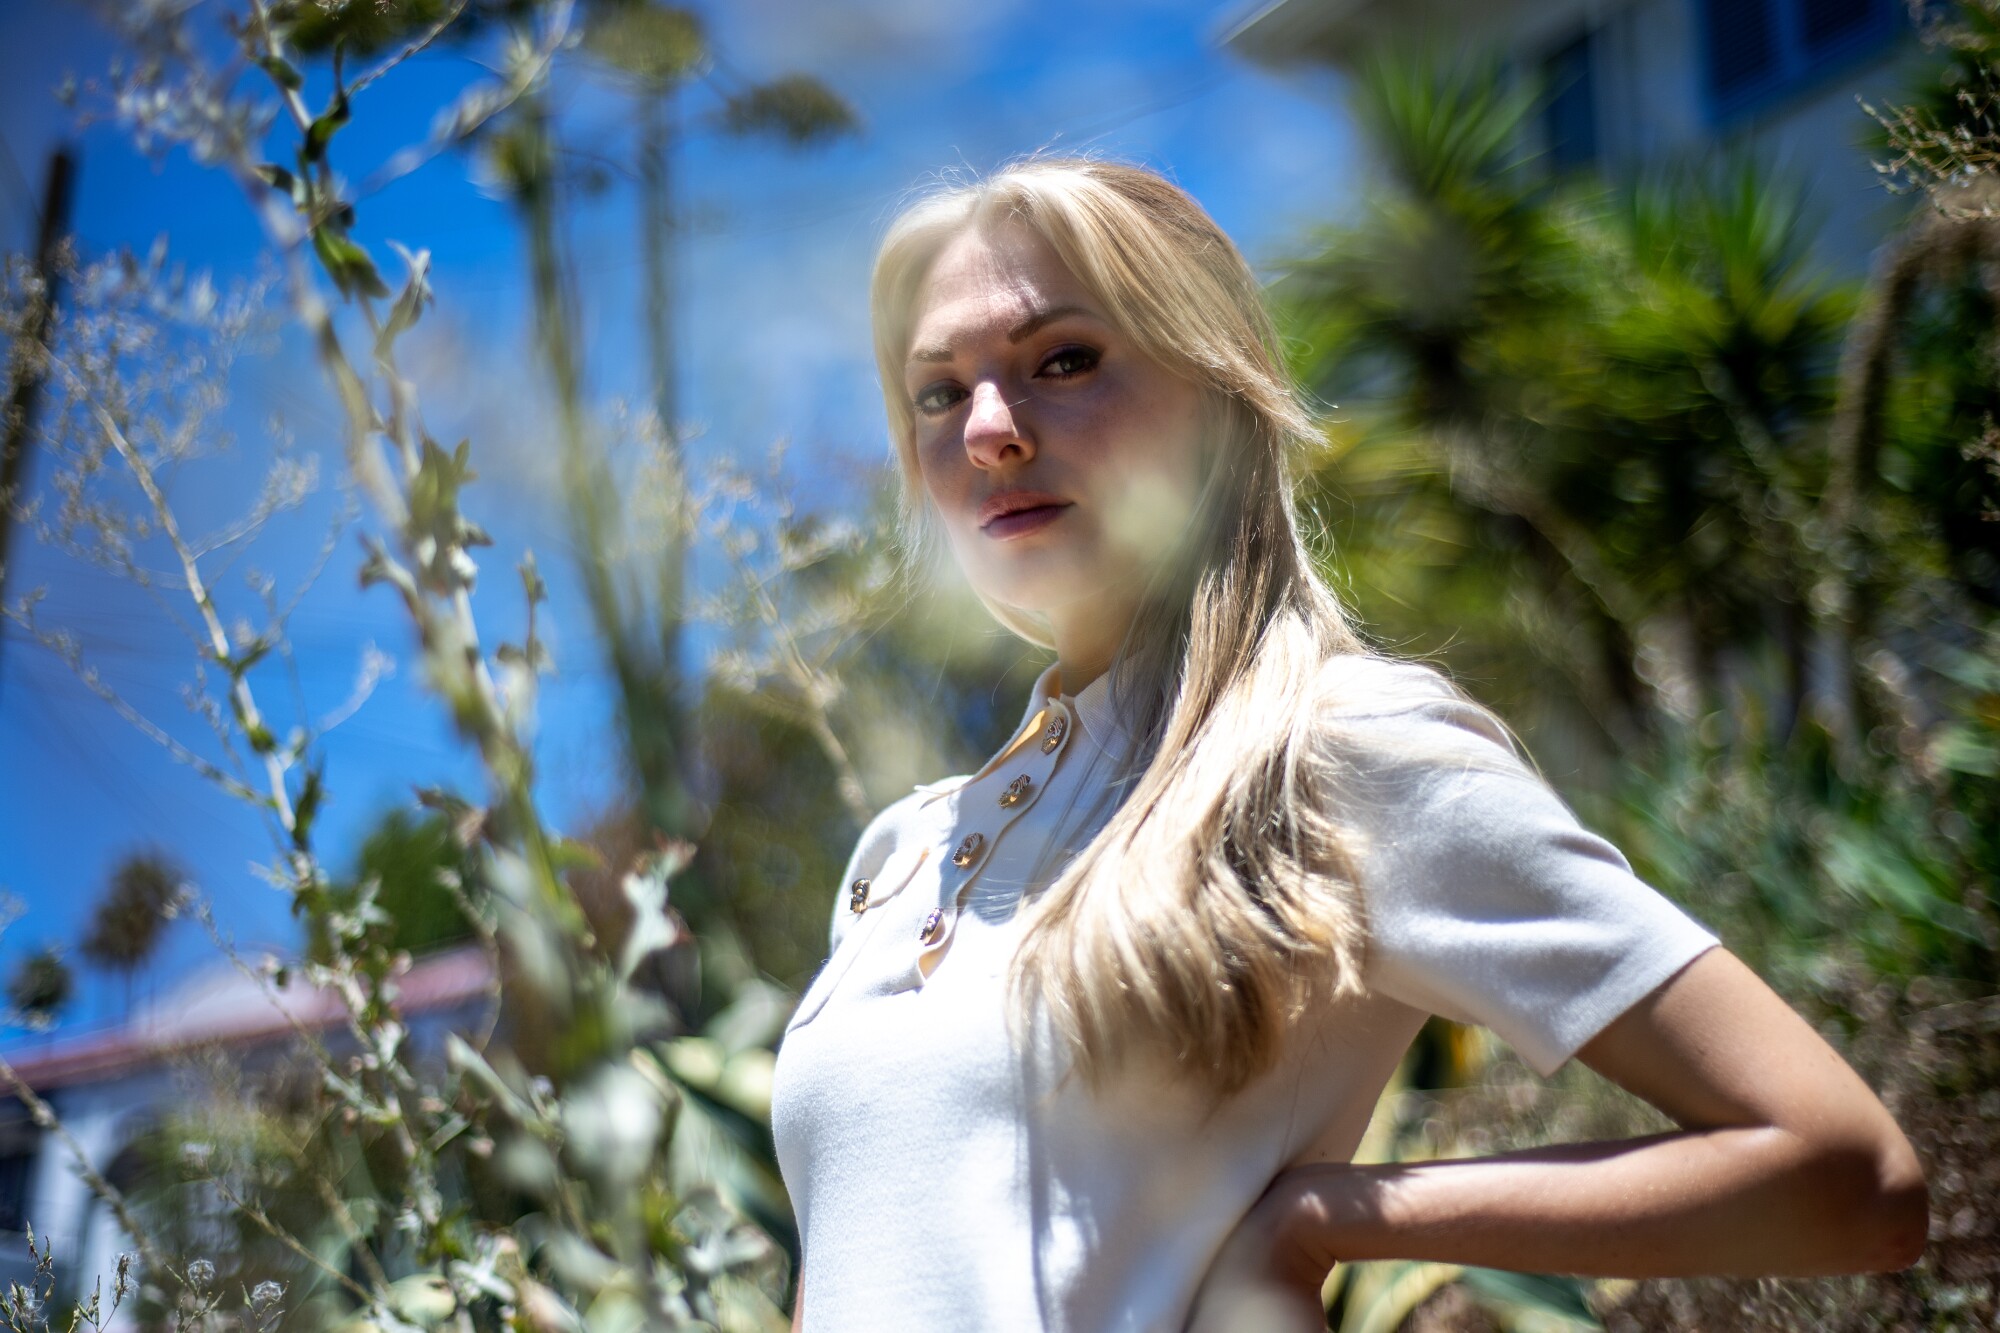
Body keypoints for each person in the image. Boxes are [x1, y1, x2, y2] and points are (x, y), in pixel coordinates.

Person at [769, 155, 1928, 1333]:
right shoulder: (899, 851)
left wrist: (1329, 1216)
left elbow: (1841, 1173)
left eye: (1062, 360)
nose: (989, 431)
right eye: (937, 393)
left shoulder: (1332, 758)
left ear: (1219, 392)